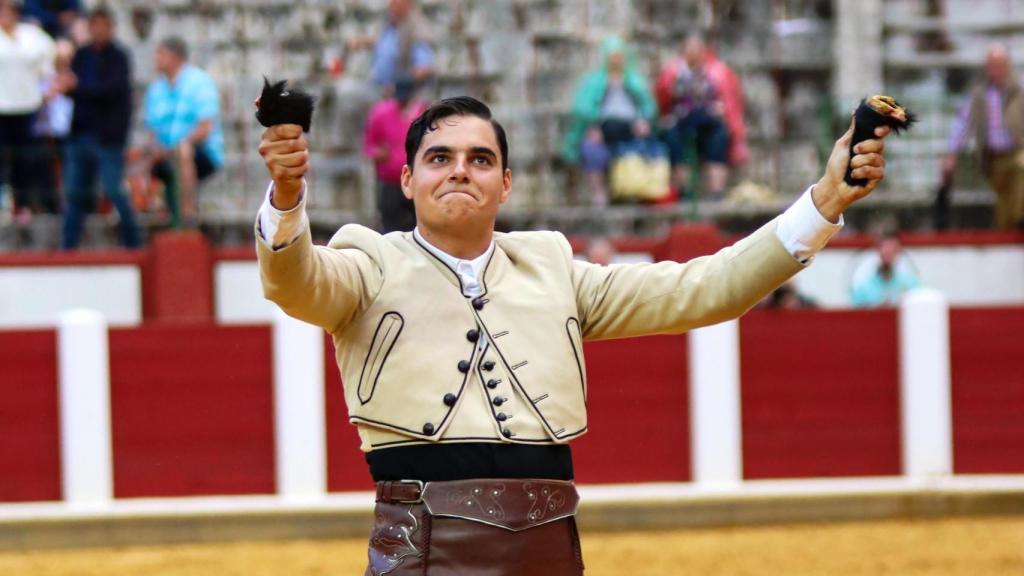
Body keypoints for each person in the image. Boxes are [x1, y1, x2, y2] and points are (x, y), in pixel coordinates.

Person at [255, 96, 890, 574]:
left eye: (481, 160)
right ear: (407, 180)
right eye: (439, 158)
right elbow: (295, 280)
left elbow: (710, 287)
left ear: (505, 183)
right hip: (424, 554)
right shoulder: (368, 264)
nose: (460, 172)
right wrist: (288, 197)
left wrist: (826, 200)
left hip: (550, 552)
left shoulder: (552, 268)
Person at [60, 6, 139, 249]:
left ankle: (133, 244)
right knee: (75, 196)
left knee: (115, 191)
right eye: (94, 25)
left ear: (111, 28)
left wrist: (78, 86)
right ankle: (68, 248)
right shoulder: (82, 55)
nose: (98, 30)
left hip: (108, 138)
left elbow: (110, 91)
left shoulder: (119, 57)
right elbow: (74, 90)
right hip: (81, 135)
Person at [562, 36, 657, 207]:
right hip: (603, 128)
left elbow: (648, 107)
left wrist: (643, 121)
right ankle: (599, 194)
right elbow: (583, 108)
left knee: (644, 146)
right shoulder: (595, 81)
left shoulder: (634, 81)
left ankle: (635, 192)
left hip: (630, 128)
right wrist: (594, 125)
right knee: (592, 148)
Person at [142, 36, 224, 228]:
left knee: (183, 151)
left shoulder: (199, 82)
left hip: (200, 152)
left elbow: (205, 128)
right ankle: (156, 209)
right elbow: (152, 130)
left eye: (161, 54)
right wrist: (157, 149)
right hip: (166, 152)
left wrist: (176, 146)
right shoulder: (156, 89)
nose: (156, 59)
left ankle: (187, 213)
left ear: (174, 56)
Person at [943, 44, 1024, 230]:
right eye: (991, 65)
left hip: (1017, 150)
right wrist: (951, 153)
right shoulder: (978, 94)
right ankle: (1010, 230)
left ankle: (1019, 219)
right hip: (992, 157)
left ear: (1007, 66)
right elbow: (963, 123)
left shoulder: (1019, 90)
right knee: (1005, 201)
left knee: (1022, 168)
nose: (995, 70)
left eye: (999, 65)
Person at [656, 34, 731, 199]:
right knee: (672, 137)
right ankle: (684, 189)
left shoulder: (715, 72)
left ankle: (716, 191)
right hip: (680, 119)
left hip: (707, 120)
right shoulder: (673, 73)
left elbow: (726, 101)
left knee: (719, 134)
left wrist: (720, 109)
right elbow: (663, 100)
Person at [0, 0, 55, 222]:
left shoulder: (32, 35)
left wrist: (50, 89)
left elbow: (52, 61)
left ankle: (22, 205)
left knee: (24, 160)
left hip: (27, 107)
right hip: (1, 108)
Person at [363, 77, 426, 232]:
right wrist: (379, 153)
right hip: (390, 181)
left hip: (417, 180)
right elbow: (369, 146)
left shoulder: (422, 113)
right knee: (391, 227)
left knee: (420, 225)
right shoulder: (380, 113)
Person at [348, 0, 434, 92]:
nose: (391, 6)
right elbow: (380, 42)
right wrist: (362, 42)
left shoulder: (416, 30)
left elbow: (424, 68)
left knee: (347, 91)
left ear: (409, 5)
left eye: (396, 3)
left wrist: (399, 85)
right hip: (376, 84)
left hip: (397, 94)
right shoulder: (390, 23)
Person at [850, 234, 921, 307]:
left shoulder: (912, 285)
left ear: (898, 253)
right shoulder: (863, 288)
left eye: (892, 250)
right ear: (877, 252)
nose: (888, 252)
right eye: (885, 249)